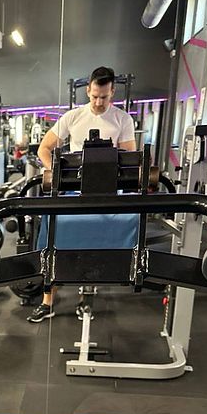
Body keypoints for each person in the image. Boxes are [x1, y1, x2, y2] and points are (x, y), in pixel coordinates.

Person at [28, 66, 136, 323]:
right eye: (95, 96)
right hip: (73, 192)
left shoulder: (123, 120)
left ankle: (86, 294)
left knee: (98, 240)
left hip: (106, 194)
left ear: (113, 93)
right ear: (88, 90)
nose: (99, 102)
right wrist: (52, 171)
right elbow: (44, 148)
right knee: (53, 234)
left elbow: (131, 161)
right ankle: (48, 300)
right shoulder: (72, 117)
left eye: (105, 97)